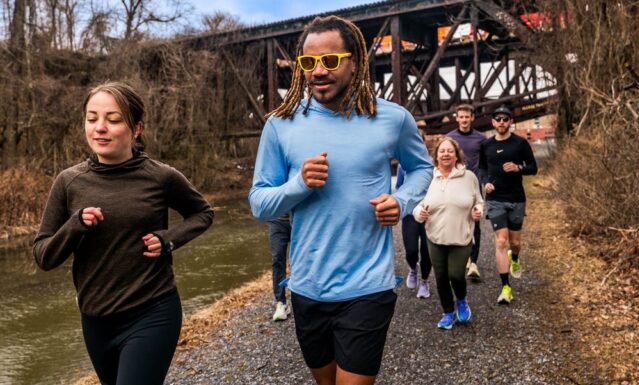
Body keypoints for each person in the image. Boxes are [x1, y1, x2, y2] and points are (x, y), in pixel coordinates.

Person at [248, 15, 432, 385]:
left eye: (330, 61)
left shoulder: (391, 119)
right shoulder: (280, 124)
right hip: (306, 287)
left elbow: (421, 168)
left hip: (368, 287)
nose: (318, 71)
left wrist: (403, 201)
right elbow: (259, 203)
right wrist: (299, 184)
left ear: (355, 62)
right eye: (309, 62)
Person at [32, 81, 214, 385]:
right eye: (92, 119)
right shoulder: (68, 182)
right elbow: (43, 256)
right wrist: (74, 225)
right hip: (95, 320)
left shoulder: (161, 177)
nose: (100, 128)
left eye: (113, 120)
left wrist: (168, 240)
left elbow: (203, 213)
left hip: (153, 311)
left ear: (137, 127)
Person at [413, 137, 484, 329]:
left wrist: (478, 210)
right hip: (435, 237)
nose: (446, 154)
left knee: (455, 274)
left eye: (450, 151)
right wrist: (420, 213)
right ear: (436, 156)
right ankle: (447, 312)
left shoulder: (469, 177)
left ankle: (461, 299)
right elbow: (416, 205)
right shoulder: (428, 178)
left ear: (456, 155)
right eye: (442, 151)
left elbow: (479, 201)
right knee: (441, 277)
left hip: (461, 237)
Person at [478, 106, 538, 305]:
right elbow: (482, 168)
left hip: (516, 199)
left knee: (515, 243)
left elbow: (533, 168)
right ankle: (506, 288)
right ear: (493, 123)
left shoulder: (520, 143)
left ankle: (515, 258)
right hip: (495, 199)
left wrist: (518, 167)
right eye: (498, 119)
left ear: (510, 122)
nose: (502, 122)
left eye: (505, 119)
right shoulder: (486, 145)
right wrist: (485, 182)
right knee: (501, 242)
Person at [446, 104, 486, 280]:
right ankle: (461, 257)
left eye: (466, 117)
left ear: (472, 118)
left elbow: (485, 163)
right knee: (457, 224)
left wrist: (485, 180)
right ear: (457, 118)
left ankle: (474, 262)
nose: (464, 120)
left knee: (475, 224)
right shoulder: (450, 138)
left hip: (474, 188)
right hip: (455, 187)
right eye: (461, 117)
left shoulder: (481, 139)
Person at [396, 121, 431, 298]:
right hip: (410, 213)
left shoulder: (433, 165)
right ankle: (412, 268)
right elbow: (399, 188)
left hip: (429, 215)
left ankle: (424, 281)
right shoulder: (403, 166)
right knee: (411, 250)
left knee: (427, 252)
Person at [269, 214, 292, 321]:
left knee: (303, 257)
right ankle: (281, 303)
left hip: (300, 218)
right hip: (277, 220)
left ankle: (308, 297)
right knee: (277, 259)